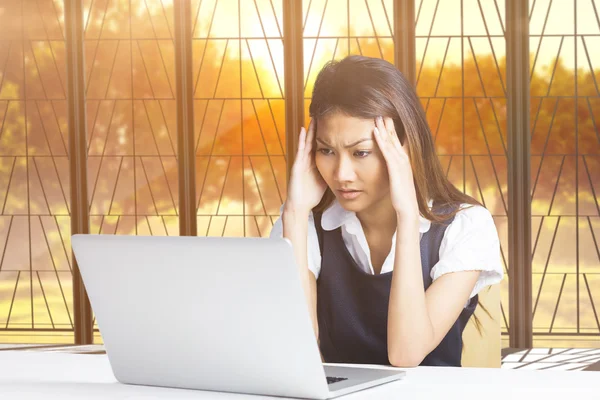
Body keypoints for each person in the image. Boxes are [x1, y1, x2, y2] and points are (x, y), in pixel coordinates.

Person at [269, 55, 503, 368]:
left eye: (360, 152)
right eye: (326, 150)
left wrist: (407, 218)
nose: (342, 173)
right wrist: (295, 215)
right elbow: (294, 347)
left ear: (403, 147)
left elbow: (406, 353)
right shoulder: (302, 221)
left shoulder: (465, 225)